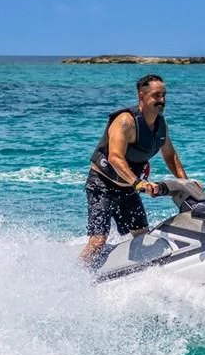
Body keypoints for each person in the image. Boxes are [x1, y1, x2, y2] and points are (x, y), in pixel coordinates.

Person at [79, 74, 198, 267]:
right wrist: (139, 183)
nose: (162, 100)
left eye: (164, 95)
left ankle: (129, 270)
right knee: (98, 240)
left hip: (127, 188)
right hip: (102, 185)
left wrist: (188, 185)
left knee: (142, 235)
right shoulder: (125, 121)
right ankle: (76, 275)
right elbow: (115, 157)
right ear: (141, 96)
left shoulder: (160, 124)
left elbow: (170, 156)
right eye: (156, 96)